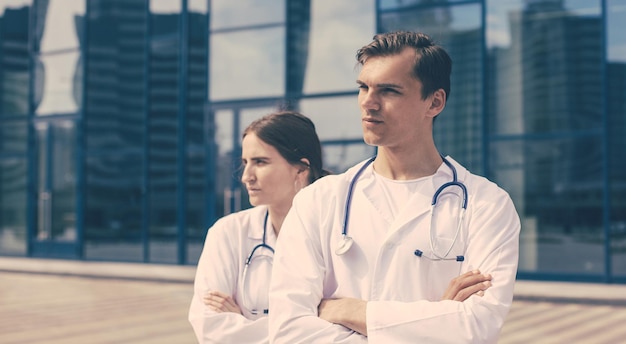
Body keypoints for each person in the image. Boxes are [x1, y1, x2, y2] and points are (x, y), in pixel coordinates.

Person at [268, 31, 521, 343]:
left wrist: (348, 310)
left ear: (435, 102)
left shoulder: (487, 205)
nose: (368, 103)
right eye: (363, 87)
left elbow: (475, 328)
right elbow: (287, 330)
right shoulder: (317, 201)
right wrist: (436, 318)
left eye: (388, 91)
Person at [188, 111, 329, 343]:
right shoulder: (228, 233)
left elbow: (349, 327)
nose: (246, 176)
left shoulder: (338, 235)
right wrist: (308, 324)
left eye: (260, 162)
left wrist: (243, 324)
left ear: (301, 170)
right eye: (245, 163)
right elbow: (210, 327)